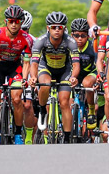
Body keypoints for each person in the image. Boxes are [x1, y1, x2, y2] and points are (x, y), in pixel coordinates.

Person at [0, 4, 34, 145]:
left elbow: (27, 62)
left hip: (15, 68)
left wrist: (24, 78)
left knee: (17, 99)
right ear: (6, 21)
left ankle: (17, 133)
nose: (13, 24)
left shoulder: (27, 39)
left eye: (17, 21)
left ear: (21, 23)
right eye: (10, 21)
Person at [30, 11, 80, 144]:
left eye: (60, 27)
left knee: (64, 102)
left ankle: (68, 138)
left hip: (64, 70)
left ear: (64, 28)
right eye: (54, 27)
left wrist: (74, 77)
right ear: (48, 28)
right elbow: (34, 63)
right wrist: (34, 77)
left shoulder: (70, 42)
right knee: (45, 85)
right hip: (46, 68)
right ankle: (42, 110)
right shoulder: (41, 41)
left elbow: (76, 64)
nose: (57, 30)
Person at [69, 18, 99, 131]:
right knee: (68, 101)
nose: (79, 39)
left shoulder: (92, 47)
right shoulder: (69, 47)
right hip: (74, 74)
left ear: (88, 36)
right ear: (72, 35)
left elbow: (99, 63)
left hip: (90, 72)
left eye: (83, 35)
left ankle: (91, 110)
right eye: (76, 35)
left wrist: (99, 80)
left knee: (87, 83)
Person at [20, 10, 38, 143]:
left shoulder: (34, 41)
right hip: (12, 71)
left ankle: (28, 138)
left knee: (27, 105)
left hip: (28, 73)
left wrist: (34, 79)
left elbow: (36, 63)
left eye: (25, 29)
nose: (22, 32)